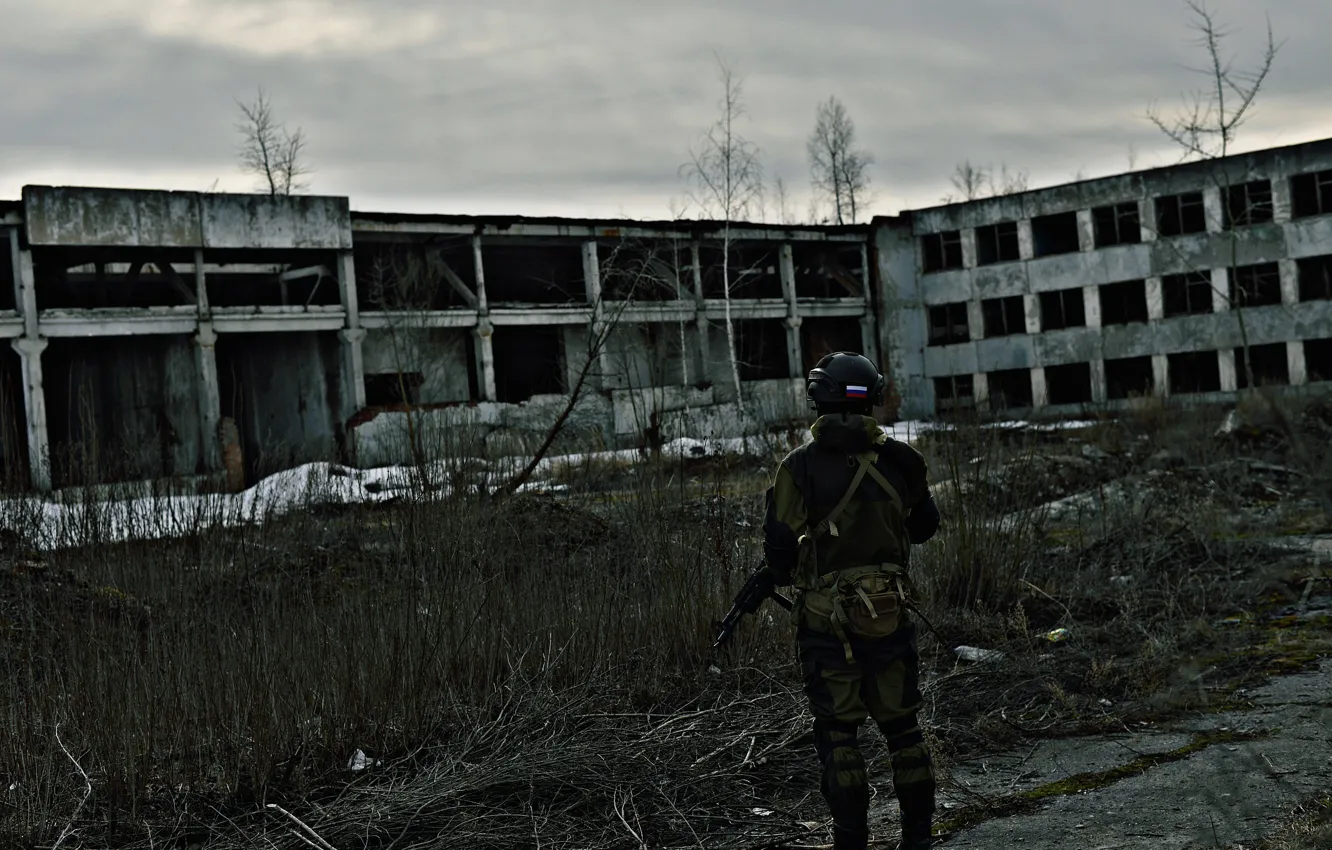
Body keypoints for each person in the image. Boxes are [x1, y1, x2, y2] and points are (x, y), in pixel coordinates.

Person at [761, 351, 941, 850]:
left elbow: (778, 553)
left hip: (827, 627)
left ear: (821, 396)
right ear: (872, 399)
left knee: (839, 735)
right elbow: (925, 528)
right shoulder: (904, 459)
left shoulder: (797, 467)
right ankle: (919, 839)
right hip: (891, 616)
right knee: (904, 729)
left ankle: (851, 841)